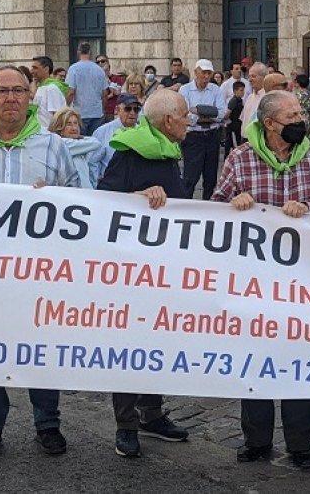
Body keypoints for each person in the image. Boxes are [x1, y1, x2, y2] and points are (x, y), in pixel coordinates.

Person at [211, 90, 310, 469]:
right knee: (256, 360)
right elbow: (213, 208)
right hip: (255, 283)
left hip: (305, 285)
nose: (299, 121)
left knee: (302, 361)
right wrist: (233, 205)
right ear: (268, 123)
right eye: (291, 116)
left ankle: (301, 445)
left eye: (301, 113)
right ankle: (257, 440)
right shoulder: (240, 159)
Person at [0, 66, 78, 458]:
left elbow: (81, 203)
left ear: (31, 97)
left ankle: (47, 421)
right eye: (1, 91)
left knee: (40, 345)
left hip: (40, 272)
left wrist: (56, 200)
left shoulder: (53, 146)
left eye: (18, 91)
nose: (10, 98)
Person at [96, 90, 193, 456]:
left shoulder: (166, 149)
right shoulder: (130, 152)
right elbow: (103, 200)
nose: (189, 121)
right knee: (129, 345)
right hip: (131, 271)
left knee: (157, 343)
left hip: (162, 268)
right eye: (184, 115)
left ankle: (151, 414)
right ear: (168, 121)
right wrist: (137, 195)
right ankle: (126, 425)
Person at [179, 59, 227, 199]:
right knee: (190, 177)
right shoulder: (185, 89)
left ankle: (208, 207)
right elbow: (187, 115)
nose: (206, 76)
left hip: (212, 135)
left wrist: (198, 111)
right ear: (196, 72)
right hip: (194, 137)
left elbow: (221, 114)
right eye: (203, 73)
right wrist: (209, 113)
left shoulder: (215, 89)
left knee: (211, 177)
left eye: (209, 73)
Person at [92, 94, 143, 181]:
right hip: (109, 186)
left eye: (136, 109)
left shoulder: (142, 132)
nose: (132, 113)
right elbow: (93, 163)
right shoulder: (102, 132)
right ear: (117, 110)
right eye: (128, 109)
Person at [48, 107, 102, 188]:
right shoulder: (62, 143)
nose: (74, 128)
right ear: (60, 128)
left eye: (76, 123)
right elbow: (96, 143)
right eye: (69, 124)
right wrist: (80, 137)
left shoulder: (77, 144)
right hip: (74, 195)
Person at [64, 43, 108, 135]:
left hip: (80, 113)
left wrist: (66, 107)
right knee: (96, 141)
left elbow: (71, 92)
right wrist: (103, 109)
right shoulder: (99, 70)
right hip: (97, 112)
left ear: (78, 52)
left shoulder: (73, 69)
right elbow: (104, 93)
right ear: (90, 52)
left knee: (81, 142)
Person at [30, 55, 68, 130]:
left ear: (46, 69)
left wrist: (51, 135)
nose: (31, 71)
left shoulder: (51, 88)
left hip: (48, 135)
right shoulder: (42, 87)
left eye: (35, 68)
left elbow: (57, 116)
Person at [239, 62, 268, 138]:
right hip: (245, 140)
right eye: (249, 76)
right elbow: (243, 119)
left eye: (253, 76)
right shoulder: (249, 97)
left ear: (264, 77)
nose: (250, 80)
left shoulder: (267, 98)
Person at [96, 54, 123, 122]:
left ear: (108, 63)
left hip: (112, 112)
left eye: (103, 61)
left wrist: (106, 78)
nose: (100, 63)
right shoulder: (95, 80)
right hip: (98, 112)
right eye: (98, 62)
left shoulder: (116, 78)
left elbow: (117, 92)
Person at [226, 80, 246, 154]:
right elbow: (228, 113)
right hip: (233, 128)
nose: (243, 92)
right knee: (234, 146)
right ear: (235, 91)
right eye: (241, 90)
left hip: (238, 127)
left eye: (243, 90)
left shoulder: (240, 100)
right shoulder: (233, 101)